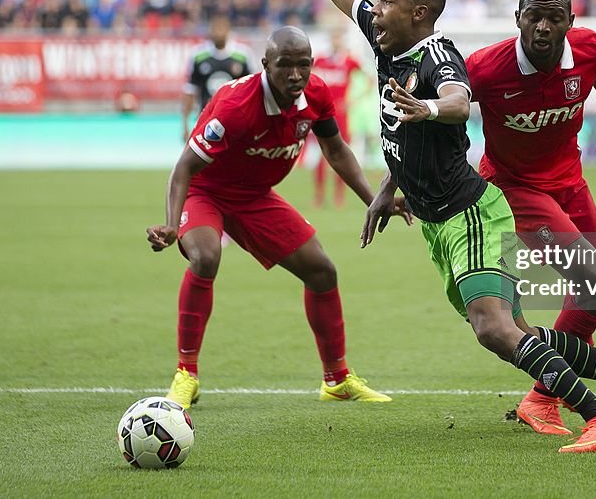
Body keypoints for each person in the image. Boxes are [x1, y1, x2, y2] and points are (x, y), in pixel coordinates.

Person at [261, 0, 596, 453]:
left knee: (494, 327)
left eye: (389, 0)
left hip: (471, 212)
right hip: (438, 220)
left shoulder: (441, 56)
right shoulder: (386, 42)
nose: (376, 5)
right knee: (519, 331)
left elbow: (455, 99)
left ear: (419, 14)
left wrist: (426, 108)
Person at [147, 25, 404, 408]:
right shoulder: (235, 108)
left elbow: (336, 151)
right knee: (206, 257)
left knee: (321, 270)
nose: (296, 75)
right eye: (285, 65)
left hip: (254, 197)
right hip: (207, 192)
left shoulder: (315, 93)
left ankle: (336, 379)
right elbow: (183, 169)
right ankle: (186, 374)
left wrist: (375, 199)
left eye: (304, 65)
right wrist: (171, 223)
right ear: (266, 64)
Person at [466, 0, 596, 436]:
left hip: (570, 182)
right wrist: (393, 178)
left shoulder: (589, 48)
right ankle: (545, 398)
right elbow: (446, 110)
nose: (542, 27)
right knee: (594, 278)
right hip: (513, 187)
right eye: (533, 16)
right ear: (517, 19)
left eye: (553, 18)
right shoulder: (486, 69)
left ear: (570, 23)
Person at [181, 14, 255, 142]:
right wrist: (185, 125)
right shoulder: (198, 56)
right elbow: (190, 91)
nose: (218, 32)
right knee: (205, 160)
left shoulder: (243, 56)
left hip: (236, 120)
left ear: (228, 30)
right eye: (215, 28)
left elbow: (253, 91)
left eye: (222, 28)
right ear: (210, 31)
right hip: (206, 120)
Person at [311, 29, 363, 207]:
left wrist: (351, 102)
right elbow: (309, 78)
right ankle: (319, 194)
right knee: (321, 155)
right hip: (323, 113)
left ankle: (339, 195)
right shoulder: (321, 60)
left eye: (338, 37)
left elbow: (369, 81)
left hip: (341, 114)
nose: (336, 41)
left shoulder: (349, 61)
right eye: (333, 37)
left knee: (342, 153)